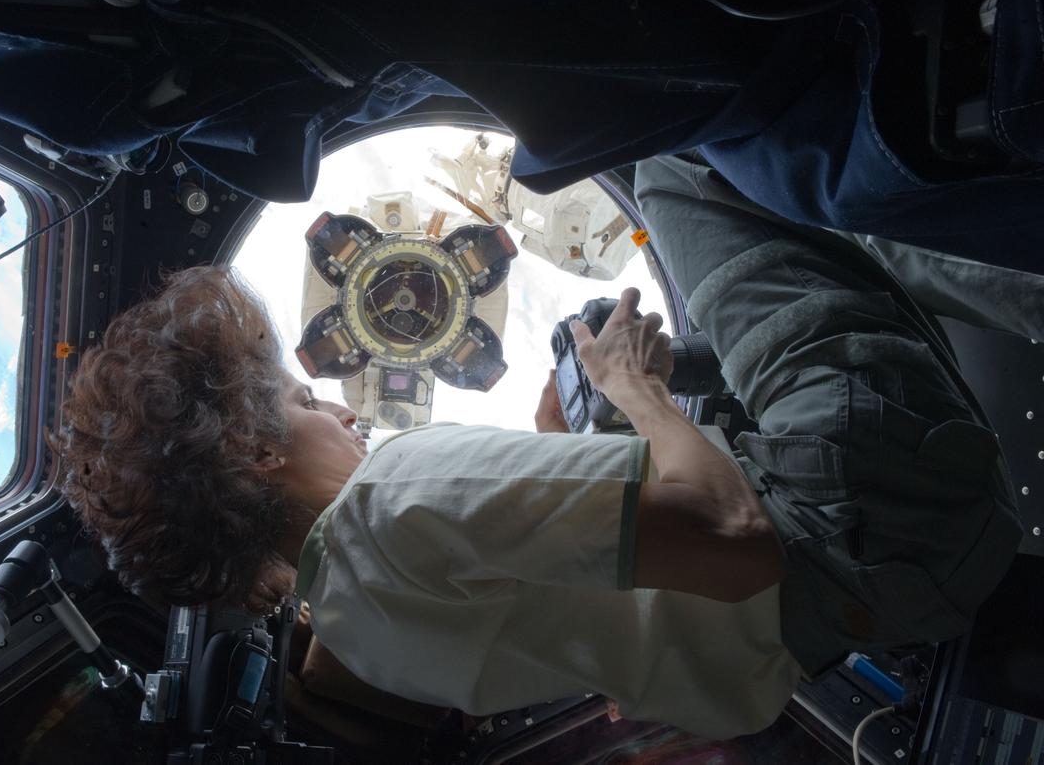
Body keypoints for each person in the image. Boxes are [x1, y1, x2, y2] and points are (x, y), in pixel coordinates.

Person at [53, 153, 1024, 739]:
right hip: (862, 499)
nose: (341, 413)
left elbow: (587, 611)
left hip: (880, 594)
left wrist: (565, 434)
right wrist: (634, 390)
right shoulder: (394, 493)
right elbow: (731, 536)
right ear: (256, 453)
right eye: (303, 398)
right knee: (691, 168)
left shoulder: (350, 629)